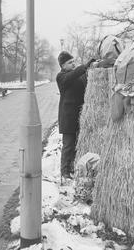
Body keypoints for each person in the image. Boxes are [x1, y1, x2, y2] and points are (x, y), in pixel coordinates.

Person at [56, 51, 95, 179]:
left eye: (73, 61)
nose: (73, 64)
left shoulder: (78, 75)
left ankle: (73, 168)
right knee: (68, 146)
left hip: (80, 116)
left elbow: (85, 78)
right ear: (62, 66)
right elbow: (73, 74)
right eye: (70, 62)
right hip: (67, 117)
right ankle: (64, 172)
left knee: (77, 145)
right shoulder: (61, 77)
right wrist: (85, 66)